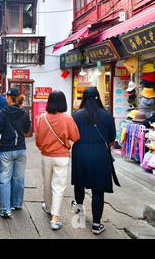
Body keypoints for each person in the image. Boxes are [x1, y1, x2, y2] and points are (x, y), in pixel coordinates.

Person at [71, 87, 117, 235]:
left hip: (80, 153)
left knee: (80, 183)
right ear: (98, 97)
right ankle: (96, 224)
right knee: (98, 189)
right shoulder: (107, 116)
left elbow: (72, 136)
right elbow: (111, 138)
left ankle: (79, 210)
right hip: (100, 155)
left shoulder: (76, 115)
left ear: (83, 98)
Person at [35, 91, 80, 230]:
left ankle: (48, 207)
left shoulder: (42, 117)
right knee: (58, 186)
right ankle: (55, 219)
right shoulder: (67, 119)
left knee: (46, 183)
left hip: (46, 156)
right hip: (61, 156)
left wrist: (43, 146)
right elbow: (76, 137)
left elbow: (38, 139)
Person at [0, 87, 31, 218]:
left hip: (7, 149)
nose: (5, 98)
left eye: (7, 96)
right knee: (19, 178)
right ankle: (16, 203)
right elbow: (27, 129)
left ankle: (5, 209)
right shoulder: (24, 112)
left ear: (10, 97)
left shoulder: (4, 112)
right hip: (21, 149)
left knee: (4, 179)